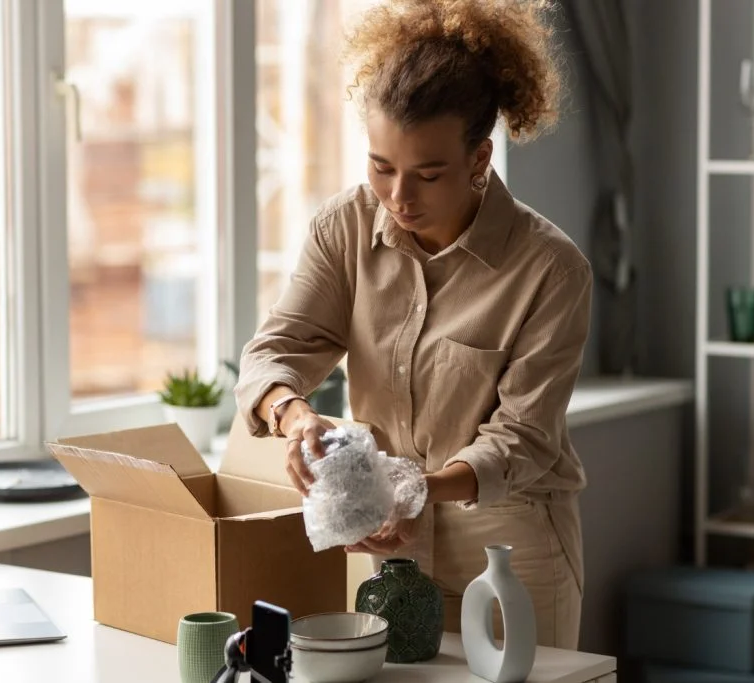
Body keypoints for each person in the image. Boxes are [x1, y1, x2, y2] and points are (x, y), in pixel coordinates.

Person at [234, 0, 591, 650]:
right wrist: (295, 416)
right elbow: (274, 350)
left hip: (510, 554)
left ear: (480, 157)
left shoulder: (552, 269)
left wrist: (412, 490)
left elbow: (524, 438)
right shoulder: (342, 230)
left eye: (428, 174)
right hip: (383, 548)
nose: (399, 197)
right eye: (380, 167)